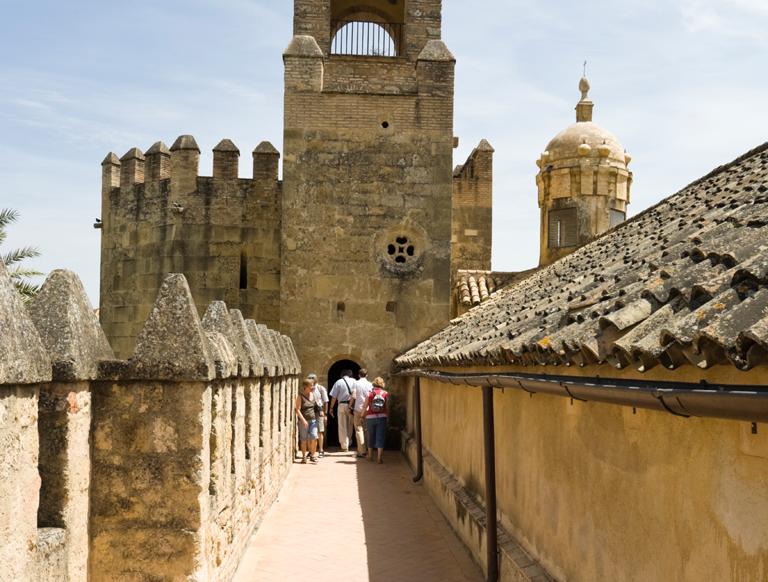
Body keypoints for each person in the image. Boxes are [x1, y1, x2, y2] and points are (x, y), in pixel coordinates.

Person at [329, 369, 355, 452]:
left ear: (342, 375)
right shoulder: (354, 381)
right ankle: (349, 442)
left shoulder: (338, 382)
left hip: (342, 405)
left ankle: (344, 446)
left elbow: (334, 397)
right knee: (350, 424)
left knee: (342, 425)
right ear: (350, 375)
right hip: (352, 405)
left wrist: (331, 407)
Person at [364, 377, 389, 464]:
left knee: (370, 436)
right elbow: (387, 406)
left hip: (370, 417)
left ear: (374, 383)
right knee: (380, 436)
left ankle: (370, 456)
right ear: (382, 384)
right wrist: (387, 416)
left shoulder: (369, 393)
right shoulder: (385, 393)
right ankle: (379, 458)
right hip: (382, 417)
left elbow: (365, 406)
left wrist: (362, 415)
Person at [296, 378, 320, 464]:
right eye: (311, 386)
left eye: (313, 385)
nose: (313, 387)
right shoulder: (300, 396)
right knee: (304, 439)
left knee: (314, 437)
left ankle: (312, 455)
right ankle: (304, 457)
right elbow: (297, 409)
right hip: (303, 421)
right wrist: (303, 420)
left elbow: (317, 406)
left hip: (313, 420)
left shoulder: (313, 395)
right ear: (305, 387)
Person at [351, 369, 373, 458]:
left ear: (359, 375)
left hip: (358, 408)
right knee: (366, 429)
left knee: (358, 429)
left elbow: (353, 396)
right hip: (368, 408)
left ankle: (361, 451)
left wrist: (350, 405)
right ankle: (368, 449)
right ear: (366, 375)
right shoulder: (370, 384)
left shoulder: (356, 383)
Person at [309, 373, 329, 458]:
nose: (311, 379)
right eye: (309, 378)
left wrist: (325, 414)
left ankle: (321, 450)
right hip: (310, 412)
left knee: (320, 431)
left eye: (312, 378)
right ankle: (311, 450)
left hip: (319, 412)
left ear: (316, 379)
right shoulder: (307, 388)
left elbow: (325, 401)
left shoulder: (321, 388)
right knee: (310, 431)